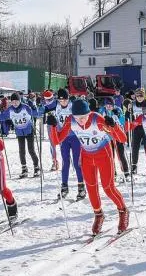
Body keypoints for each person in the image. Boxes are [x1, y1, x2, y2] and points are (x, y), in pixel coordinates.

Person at [49, 99, 128, 236]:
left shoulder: (97, 119)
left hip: (103, 154)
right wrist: (53, 126)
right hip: (86, 156)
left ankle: (123, 211)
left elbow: (122, 139)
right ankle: (98, 215)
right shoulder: (70, 120)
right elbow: (56, 140)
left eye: (83, 117)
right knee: (91, 187)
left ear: (89, 113)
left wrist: (113, 126)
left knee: (108, 188)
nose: (80, 121)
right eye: (77, 118)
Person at [40, 88, 85, 199]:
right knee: (65, 162)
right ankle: (64, 186)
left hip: (75, 137)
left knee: (77, 162)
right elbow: (43, 110)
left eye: (65, 100)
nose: (63, 102)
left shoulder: (73, 105)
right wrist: (49, 118)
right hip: (63, 138)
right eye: (61, 100)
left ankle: (81, 187)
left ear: (68, 98)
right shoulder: (56, 106)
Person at [0, 92, 40, 178]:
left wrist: (34, 107)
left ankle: (36, 167)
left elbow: (36, 114)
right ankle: (24, 169)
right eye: (13, 102)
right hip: (19, 132)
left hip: (29, 131)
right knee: (21, 151)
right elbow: (1, 117)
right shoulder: (10, 110)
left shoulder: (26, 107)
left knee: (31, 150)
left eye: (16, 101)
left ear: (20, 100)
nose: (15, 103)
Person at [128, 89, 146, 175]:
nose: (139, 98)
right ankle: (134, 166)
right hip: (136, 128)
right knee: (135, 147)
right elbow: (129, 115)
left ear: (144, 96)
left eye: (141, 96)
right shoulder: (133, 104)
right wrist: (128, 110)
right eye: (138, 96)